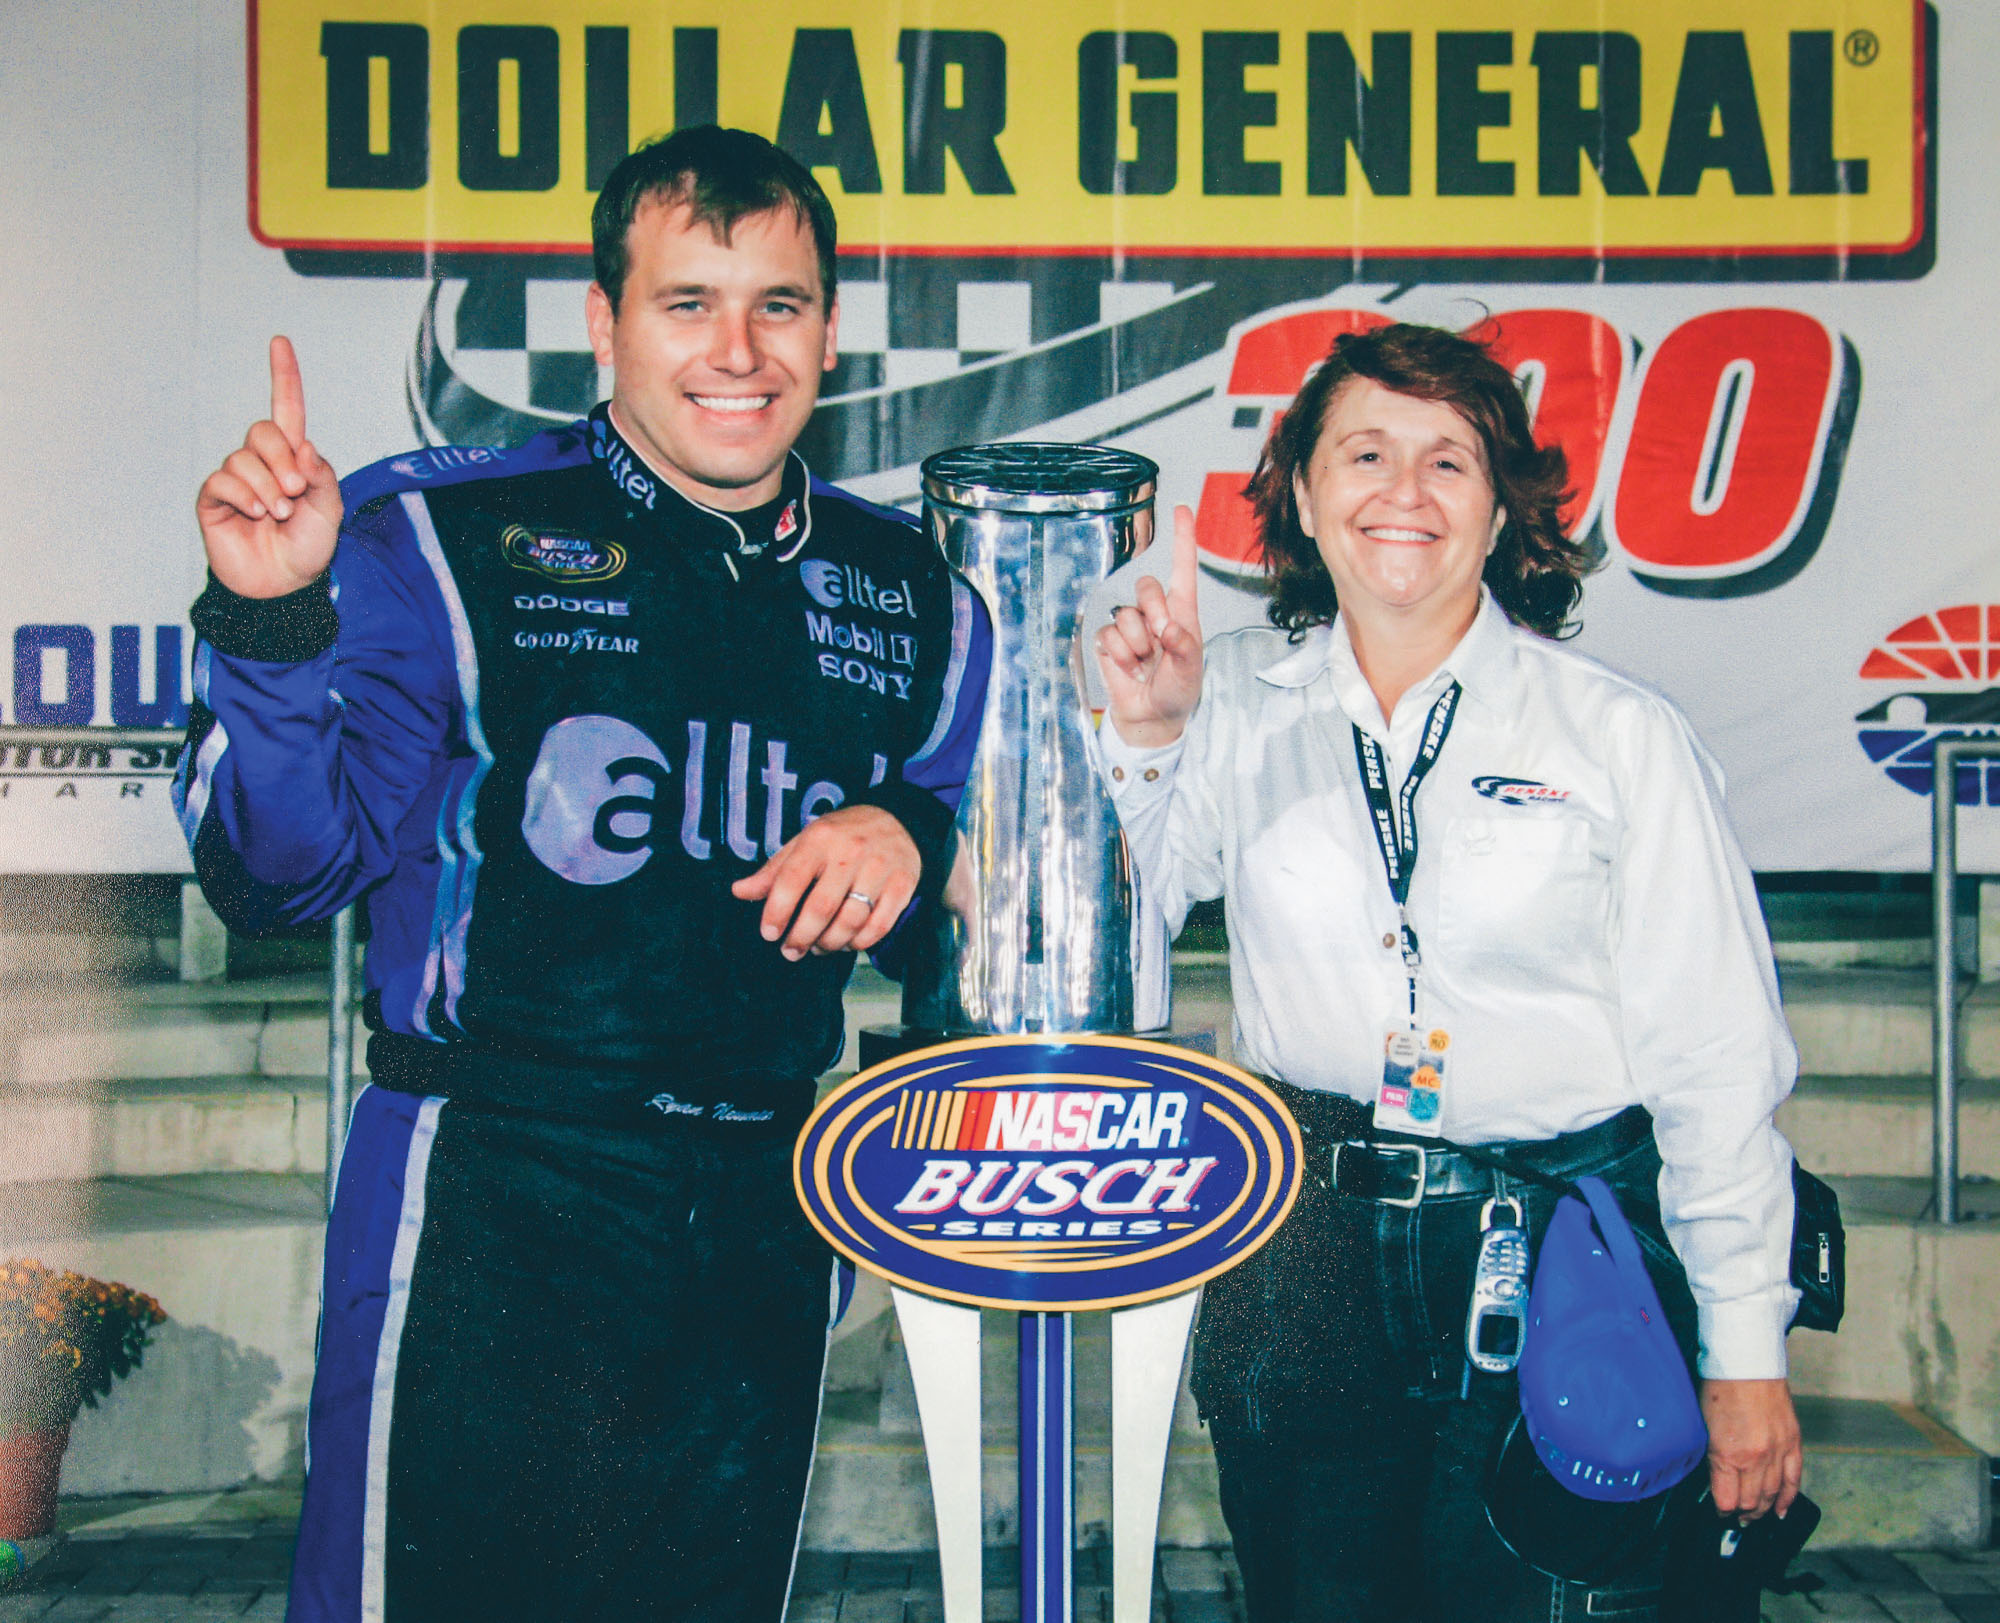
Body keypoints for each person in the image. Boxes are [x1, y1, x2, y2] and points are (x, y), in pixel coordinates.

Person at [174, 127, 989, 1623]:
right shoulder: (435, 535)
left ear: (829, 327)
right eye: (689, 303)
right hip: (495, 1187)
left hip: (769, 1207)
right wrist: (270, 623)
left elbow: (966, 890)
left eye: (781, 306)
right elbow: (276, 880)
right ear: (604, 321)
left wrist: (920, 840)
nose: (739, 353)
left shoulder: (922, 594)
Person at [1093, 322, 1801, 1621]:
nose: (1402, 494)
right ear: (1302, 495)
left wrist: (1744, 1349)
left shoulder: (1616, 737)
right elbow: (1115, 966)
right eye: (1364, 453)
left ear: (1501, 508)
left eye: (1449, 462)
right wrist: (1144, 745)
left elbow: (1715, 1060)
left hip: (1559, 1244)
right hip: (1299, 1254)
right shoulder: (1227, 700)